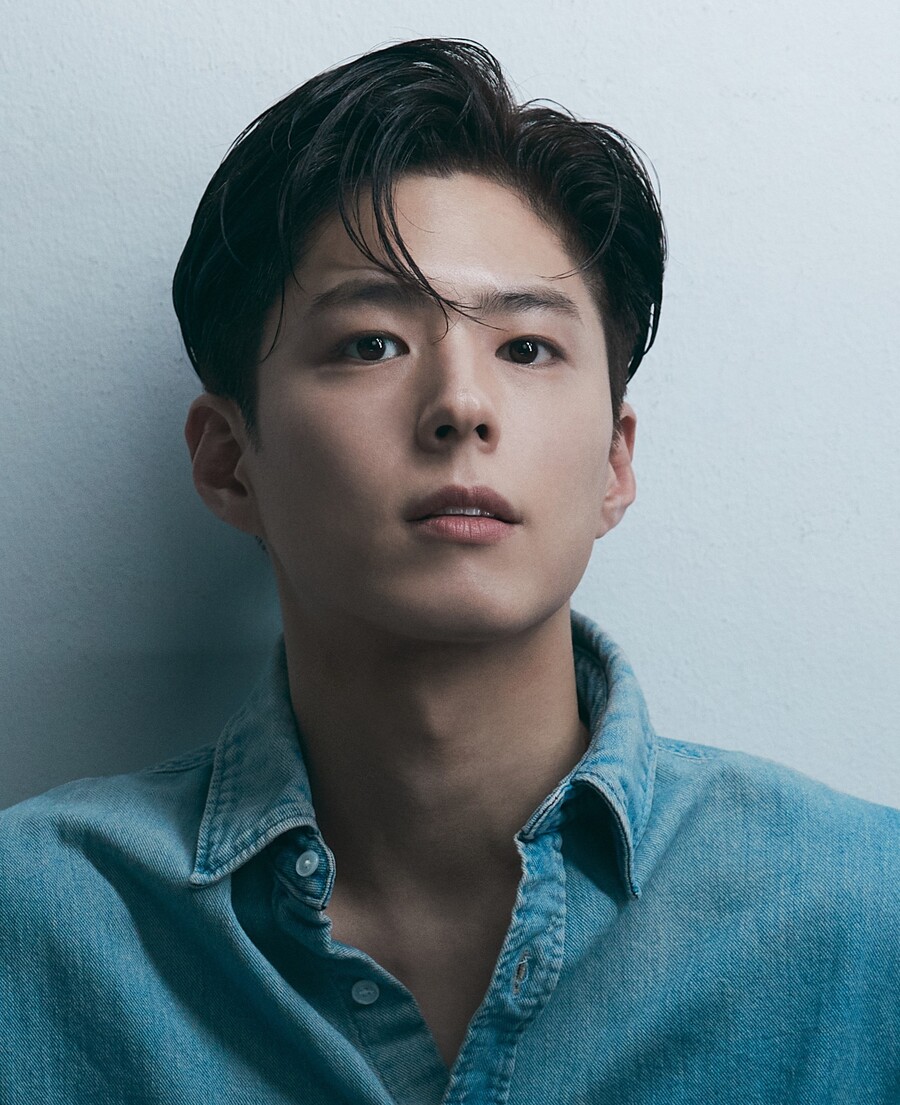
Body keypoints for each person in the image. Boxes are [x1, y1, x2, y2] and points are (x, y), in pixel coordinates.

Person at [1, 36, 897, 1105]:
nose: (461, 405)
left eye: (526, 348)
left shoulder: (862, 916)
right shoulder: (40, 922)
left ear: (615, 464)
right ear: (229, 462)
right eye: (371, 343)